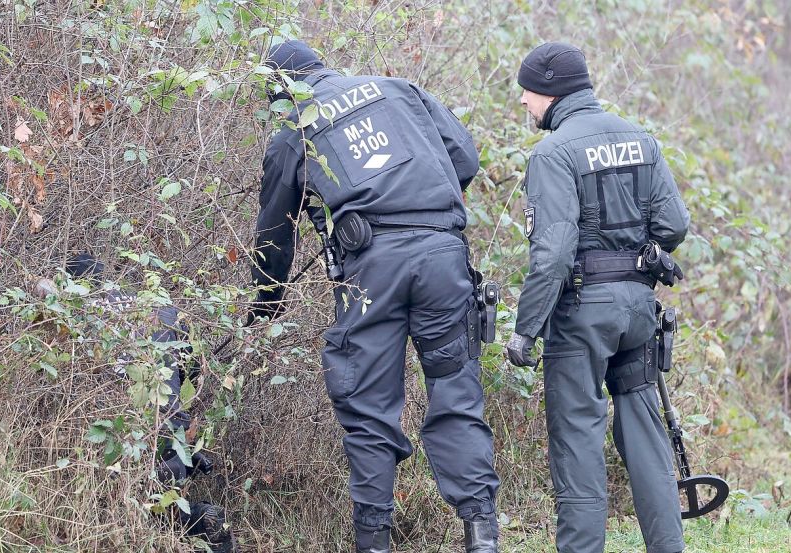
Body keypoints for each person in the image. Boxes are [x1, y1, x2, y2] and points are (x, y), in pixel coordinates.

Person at [250, 40, 500, 553]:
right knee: (457, 390)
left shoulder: (293, 129)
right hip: (443, 256)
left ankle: (374, 542)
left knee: (367, 405)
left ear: (279, 90)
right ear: (323, 67)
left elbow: (275, 230)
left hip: (372, 270)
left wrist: (267, 300)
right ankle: (482, 534)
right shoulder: (399, 89)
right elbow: (465, 157)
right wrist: (427, 210)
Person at [504, 43, 690, 553]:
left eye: (527, 91)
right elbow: (674, 225)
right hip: (636, 308)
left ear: (550, 92)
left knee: (577, 439)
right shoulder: (641, 140)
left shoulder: (553, 152)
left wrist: (526, 329)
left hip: (582, 313)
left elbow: (553, 255)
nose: (522, 101)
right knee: (644, 429)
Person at [36, 254, 235, 553]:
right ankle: (201, 520)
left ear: (73, 285)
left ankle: (194, 520)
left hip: (123, 433)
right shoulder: (158, 306)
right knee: (168, 498)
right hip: (169, 426)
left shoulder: (77, 312)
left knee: (157, 514)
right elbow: (193, 373)